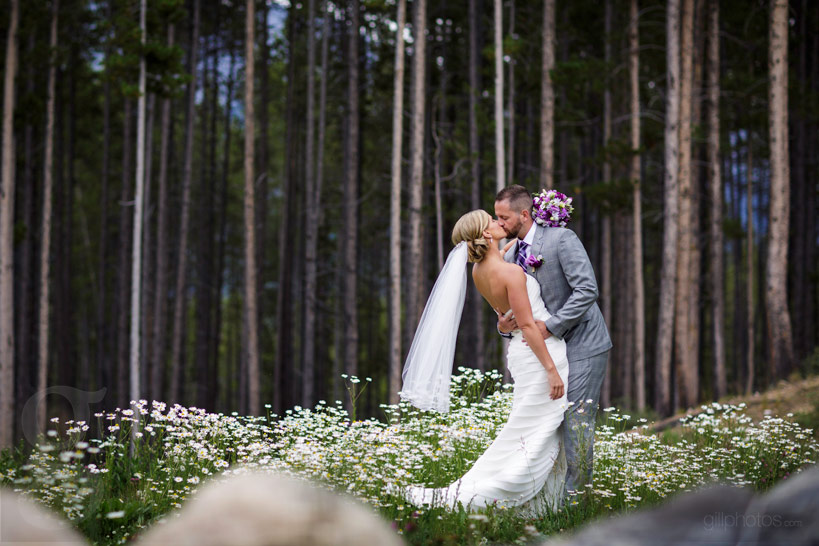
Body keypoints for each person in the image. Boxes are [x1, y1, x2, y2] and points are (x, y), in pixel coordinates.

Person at [399, 210, 569, 512]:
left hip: (519, 354)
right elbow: (528, 325)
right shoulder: (511, 273)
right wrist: (552, 371)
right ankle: (504, 493)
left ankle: (543, 502)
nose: (498, 223)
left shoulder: (479, 272)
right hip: (539, 354)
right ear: (486, 234)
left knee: (529, 427)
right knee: (540, 429)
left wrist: (503, 326)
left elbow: (505, 316)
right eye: (492, 221)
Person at [494, 185, 612, 500]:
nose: (500, 223)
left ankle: (577, 504)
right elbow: (521, 309)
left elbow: (587, 290)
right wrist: (505, 327)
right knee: (550, 424)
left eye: (504, 217)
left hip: (584, 342)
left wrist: (552, 325)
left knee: (576, 421)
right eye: (497, 217)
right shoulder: (512, 253)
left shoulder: (562, 239)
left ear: (523, 213)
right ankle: (550, 499)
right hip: (548, 353)